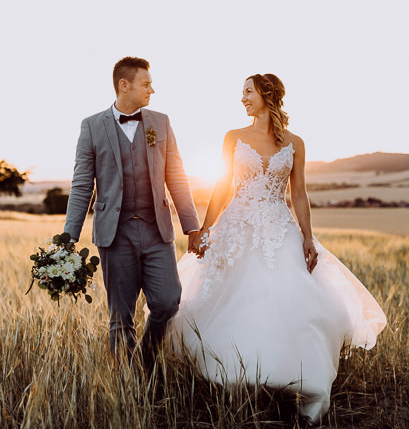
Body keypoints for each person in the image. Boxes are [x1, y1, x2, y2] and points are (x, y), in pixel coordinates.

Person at [169, 73, 387, 423]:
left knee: (289, 300)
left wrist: (307, 237)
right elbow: (223, 185)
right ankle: (237, 381)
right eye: (242, 93)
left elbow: (298, 194)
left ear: (266, 95)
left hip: (279, 229)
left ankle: (298, 381)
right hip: (238, 227)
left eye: (248, 92)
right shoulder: (234, 137)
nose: (242, 98)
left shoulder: (296, 143)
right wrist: (207, 228)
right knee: (235, 301)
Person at [63, 56, 201, 368]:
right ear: (124, 86)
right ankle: (129, 386)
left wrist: (191, 226)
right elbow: (82, 184)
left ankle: (146, 358)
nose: (152, 89)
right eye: (146, 84)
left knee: (167, 301)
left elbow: (176, 175)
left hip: (157, 233)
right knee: (120, 317)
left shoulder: (160, 122)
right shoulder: (91, 126)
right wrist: (68, 237)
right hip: (115, 235)